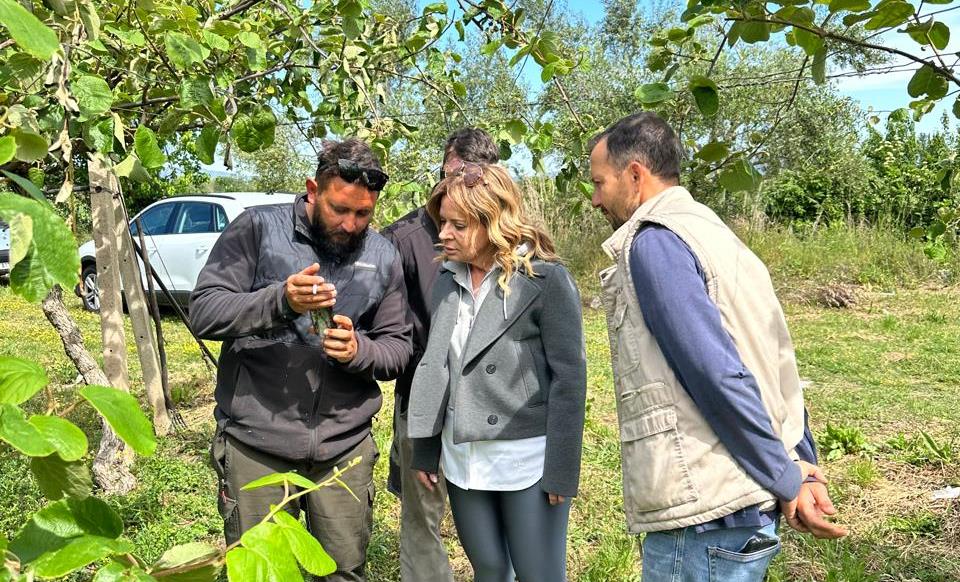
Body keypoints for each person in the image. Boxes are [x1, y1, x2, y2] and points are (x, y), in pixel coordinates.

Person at [588, 112, 847, 581]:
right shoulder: (716, 234)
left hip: (707, 515)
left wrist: (787, 475)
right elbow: (774, 359)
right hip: (741, 505)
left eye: (599, 183)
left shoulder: (656, 243)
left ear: (635, 175)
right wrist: (799, 463)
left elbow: (715, 372)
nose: (595, 199)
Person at [189, 138, 412, 582]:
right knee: (264, 575)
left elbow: (398, 347)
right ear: (313, 190)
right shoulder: (257, 229)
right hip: (256, 447)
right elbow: (205, 312)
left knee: (342, 572)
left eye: (363, 214)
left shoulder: (383, 255)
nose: (350, 224)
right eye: (339, 209)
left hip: (344, 449)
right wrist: (280, 301)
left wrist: (359, 351)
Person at [407, 163, 587, 582]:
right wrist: (426, 447)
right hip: (463, 454)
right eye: (442, 222)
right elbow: (438, 365)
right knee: (488, 569)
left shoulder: (544, 278)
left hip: (525, 456)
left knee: (539, 574)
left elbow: (570, 377)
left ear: (493, 223)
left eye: (458, 225)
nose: (443, 234)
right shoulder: (447, 279)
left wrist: (562, 468)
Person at [381, 127, 499, 582]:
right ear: (444, 169)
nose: (462, 185)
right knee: (422, 515)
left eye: (476, 177)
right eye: (455, 173)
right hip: (424, 403)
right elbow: (387, 325)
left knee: (492, 510)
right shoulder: (403, 239)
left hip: (492, 409)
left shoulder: (504, 236)